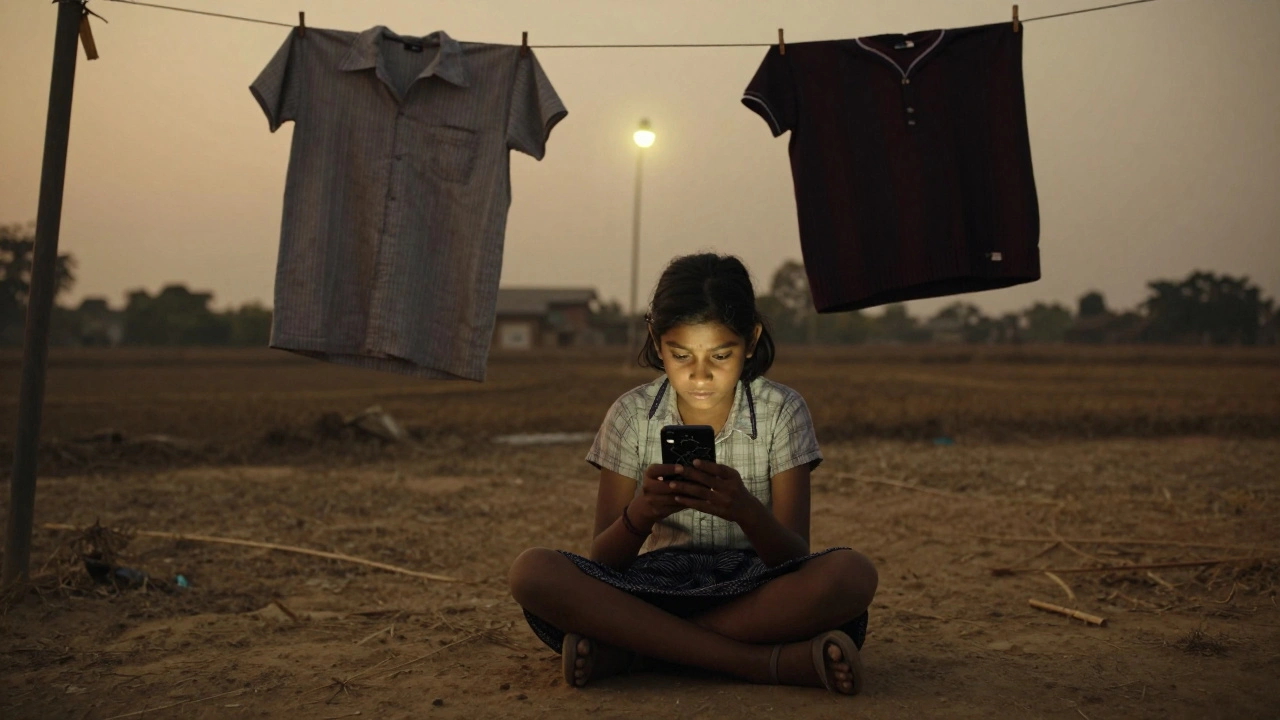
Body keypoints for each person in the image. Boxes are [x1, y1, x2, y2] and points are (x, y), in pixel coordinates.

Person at [508, 253, 877, 694]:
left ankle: (636, 651)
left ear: (752, 339)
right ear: (656, 340)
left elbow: (794, 556)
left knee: (851, 574)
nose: (700, 375)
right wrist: (641, 513)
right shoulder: (631, 415)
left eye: (721, 355)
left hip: (753, 590)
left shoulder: (782, 411)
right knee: (532, 572)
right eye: (681, 355)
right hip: (654, 588)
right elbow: (603, 562)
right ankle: (763, 663)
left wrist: (745, 511)